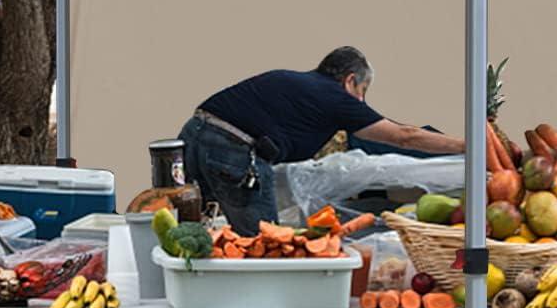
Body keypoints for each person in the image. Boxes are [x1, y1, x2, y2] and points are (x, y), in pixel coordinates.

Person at [178, 47, 465, 234]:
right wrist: (467, 146)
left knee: (189, 232)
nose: (362, 101)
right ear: (350, 80)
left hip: (193, 134)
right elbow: (405, 137)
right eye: (363, 90)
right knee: (261, 245)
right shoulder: (335, 97)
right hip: (234, 151)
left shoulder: (296, 84)